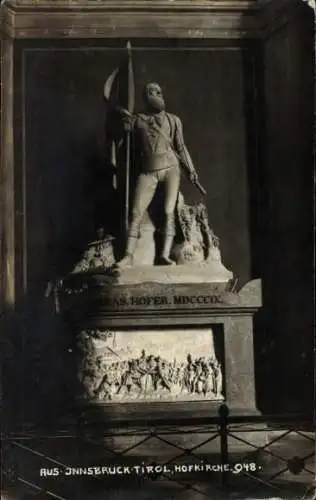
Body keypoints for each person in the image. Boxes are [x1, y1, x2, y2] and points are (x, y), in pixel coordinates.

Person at [115, 82, 199, 267]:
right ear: (145, 97)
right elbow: (124, 148)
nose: (157, 94)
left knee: (169, 211)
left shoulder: (173, 120)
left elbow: (181, 147)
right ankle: (128, 256)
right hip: (148, 171)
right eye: (152, 92)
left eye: (159, 91)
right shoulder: (136, 120)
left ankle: (164, 255)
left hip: (171, 169)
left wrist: (191, 170)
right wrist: (124, 129)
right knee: (136, 211)